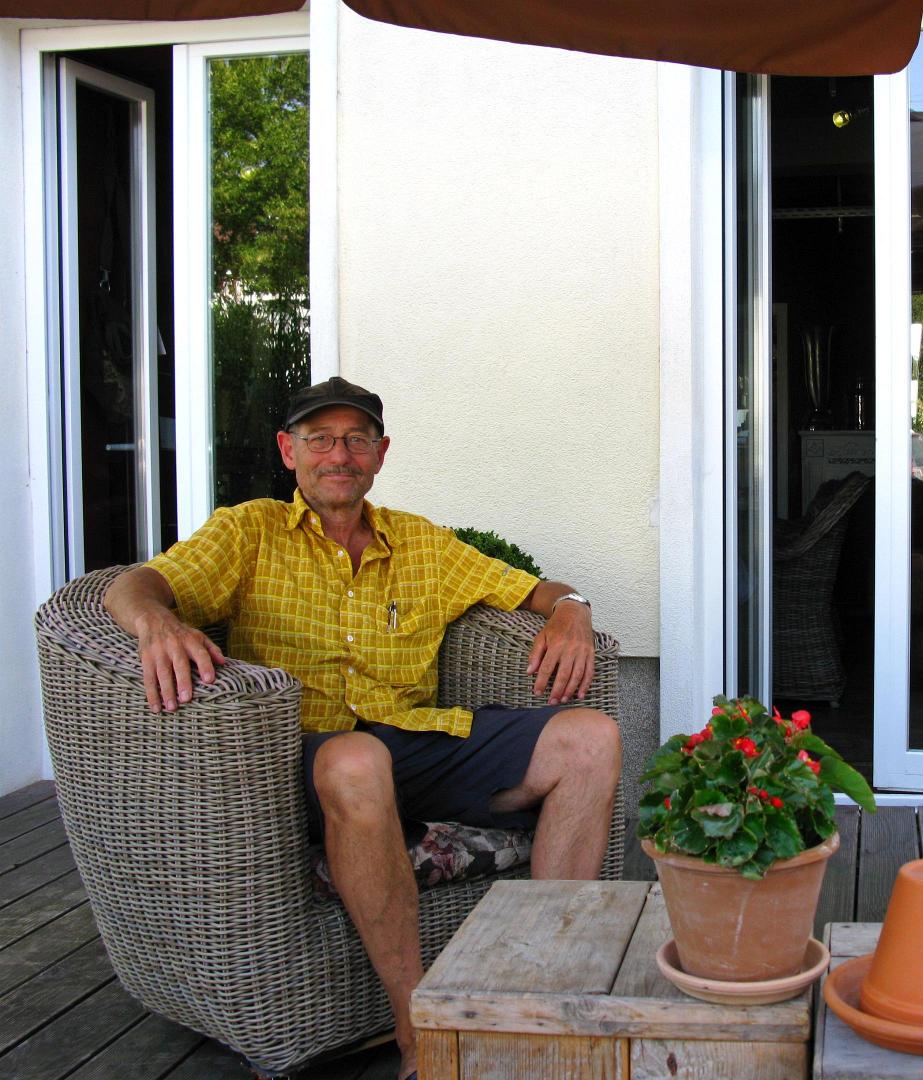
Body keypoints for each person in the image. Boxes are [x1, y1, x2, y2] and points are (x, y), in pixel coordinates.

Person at [103, 376, 621, 1080]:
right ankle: (418, 1034)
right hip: (308, 759)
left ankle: (540, 999)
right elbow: (133, 585)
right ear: (288, 451)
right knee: (355, 759)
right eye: (319, 439)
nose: (338, 455)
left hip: (414, 744)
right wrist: (155, 622)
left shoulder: (421, 544)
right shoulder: (247, 531)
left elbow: (535, 589)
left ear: (381, 453)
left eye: (356, 439)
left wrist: (573, 609)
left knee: (590, 739)